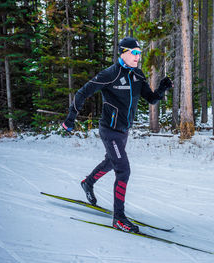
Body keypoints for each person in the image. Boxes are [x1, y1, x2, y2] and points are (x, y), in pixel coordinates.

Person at [62, 37, 173, 233]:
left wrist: (162, 88)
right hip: (109, 130)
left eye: (140, 52)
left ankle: (87, 183)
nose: (138, 56)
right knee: (123, 170)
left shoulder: (138, 75)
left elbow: (151, 99)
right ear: (123, 52)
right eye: (134, 52)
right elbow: (82, 93)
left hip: (123, 131)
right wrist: (71, 118)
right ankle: (118, 218)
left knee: (111, 162)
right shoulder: (110, 74)